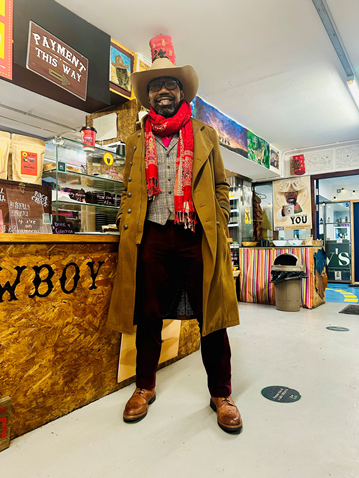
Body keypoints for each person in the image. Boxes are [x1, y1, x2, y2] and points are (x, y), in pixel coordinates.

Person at [107, 35, 242, 434]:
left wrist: (217, 221)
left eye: (170, 84)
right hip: (150, 235)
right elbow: (127, 190)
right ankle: (143, 387)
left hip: (194, 234)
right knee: (147, 314)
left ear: (181, 92)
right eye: (155, 85)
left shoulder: (204, 134)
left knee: (211, 317)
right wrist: (123, 221)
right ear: (148, 96)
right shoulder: (135, 139)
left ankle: (221, 394)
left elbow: (219, 186)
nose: (163, 91)